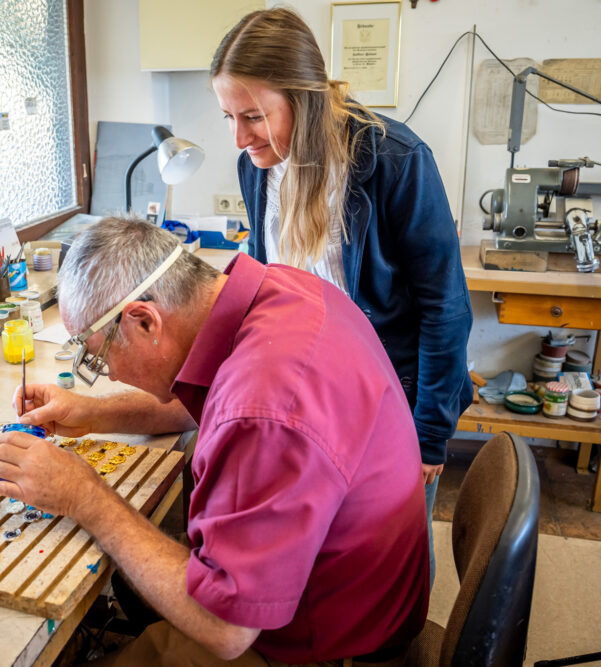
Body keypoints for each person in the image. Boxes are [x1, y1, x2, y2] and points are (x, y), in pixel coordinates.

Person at [0, 217, 428, 665]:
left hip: (325, 642)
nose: (108, 374)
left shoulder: (263, 407)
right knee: (132, 582)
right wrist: (93, 411)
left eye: (97, 355)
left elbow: (225, 628)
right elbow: (218, 393)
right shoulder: (279, 295)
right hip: (356, 589)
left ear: (144, 322)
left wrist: (82, 495)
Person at [210, 7, 473, 586]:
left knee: (389, 560)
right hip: (306, 394)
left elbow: (445, 309)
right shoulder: (256, 167)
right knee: (324, 553)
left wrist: (430, 436)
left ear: (301, 99)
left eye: (253, 116)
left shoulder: (396, 161)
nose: (238, 136)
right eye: (228, 116)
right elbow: (268, 278)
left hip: (389, 396)